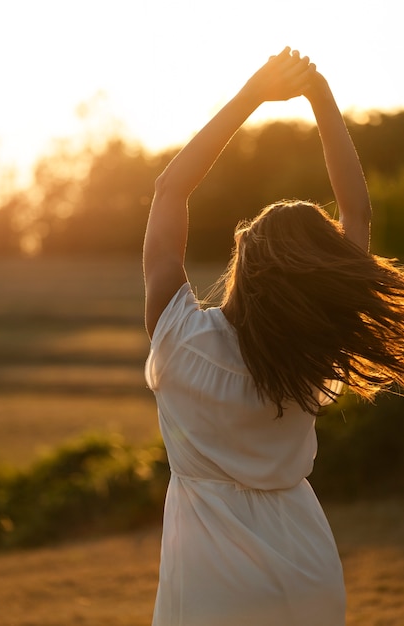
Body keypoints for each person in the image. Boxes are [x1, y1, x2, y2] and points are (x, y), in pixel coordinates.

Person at [143, 48, 404, 625]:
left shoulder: (179, 341)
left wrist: (251, 95)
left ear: (243, 260)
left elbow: (168, 192)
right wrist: (323, 98)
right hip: (307, 571)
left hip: (213, 586)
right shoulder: (311, 354)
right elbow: (358, 217)